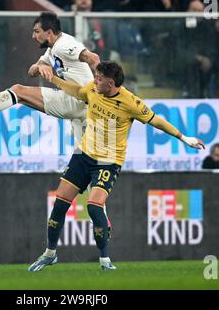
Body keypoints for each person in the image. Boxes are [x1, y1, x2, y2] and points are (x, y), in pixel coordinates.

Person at [28, 61, 206, 271]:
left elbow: (156, 121)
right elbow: (77, 91)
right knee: (59, 205)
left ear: (110, 83)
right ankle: (50, 254)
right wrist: (54, 79)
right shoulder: (94, 89)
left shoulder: (131, 103)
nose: (95, 81)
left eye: (99, 78)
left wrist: (184, 138)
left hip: (108, 161)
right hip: (83, 155)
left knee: (94, 207)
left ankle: (105, 261)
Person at [0, 12, 99, 145]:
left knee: (18, 91)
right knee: (83, 165)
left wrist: (98, 93)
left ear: (49, 32)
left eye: (36, 31)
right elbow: (31, 71)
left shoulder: (63, 45)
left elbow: (93, 58)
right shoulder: (53, 47)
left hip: (81, 101)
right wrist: (40, 66)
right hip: (81, 105)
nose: (33, 36)